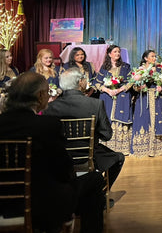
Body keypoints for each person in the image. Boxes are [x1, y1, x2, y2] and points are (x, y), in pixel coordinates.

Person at [0, 72, 105, 233]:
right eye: (48, 92)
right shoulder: (47, 125)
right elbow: (63, 171)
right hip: (42, 205)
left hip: (3, 204)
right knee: (95, 179)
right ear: (40, 95)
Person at [43, 68, 125, 189]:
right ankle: (100, 193)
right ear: (81, 82)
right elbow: (107, 135)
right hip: (89, 155)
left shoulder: (50, 107)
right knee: (118, 157)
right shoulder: (95, 104)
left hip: (60, 156)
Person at [131, 50, 162, 157]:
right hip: (144, 98)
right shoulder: (140, 70)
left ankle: (158, 146)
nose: (154, 58)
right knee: (144, 118)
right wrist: (140, 87)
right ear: (146, 58)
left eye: (155, 56)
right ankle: (143, 146)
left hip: (156, 98)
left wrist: (161, 88)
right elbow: (134, 86)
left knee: (157, 119)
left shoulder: (159, 69)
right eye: (152, 56)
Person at [95, 45, 132, 155]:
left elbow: (130, 82)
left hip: (122, 96)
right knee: (107, 118)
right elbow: (97, 83)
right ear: (109, 54)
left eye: (119, 52)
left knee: (120, 119)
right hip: (107, 97)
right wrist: (107, 90)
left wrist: (119, 89)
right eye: (115, 52)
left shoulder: (126, 67)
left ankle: (122, 148)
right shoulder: (104, 67)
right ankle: (107, 147)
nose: (117, 54)